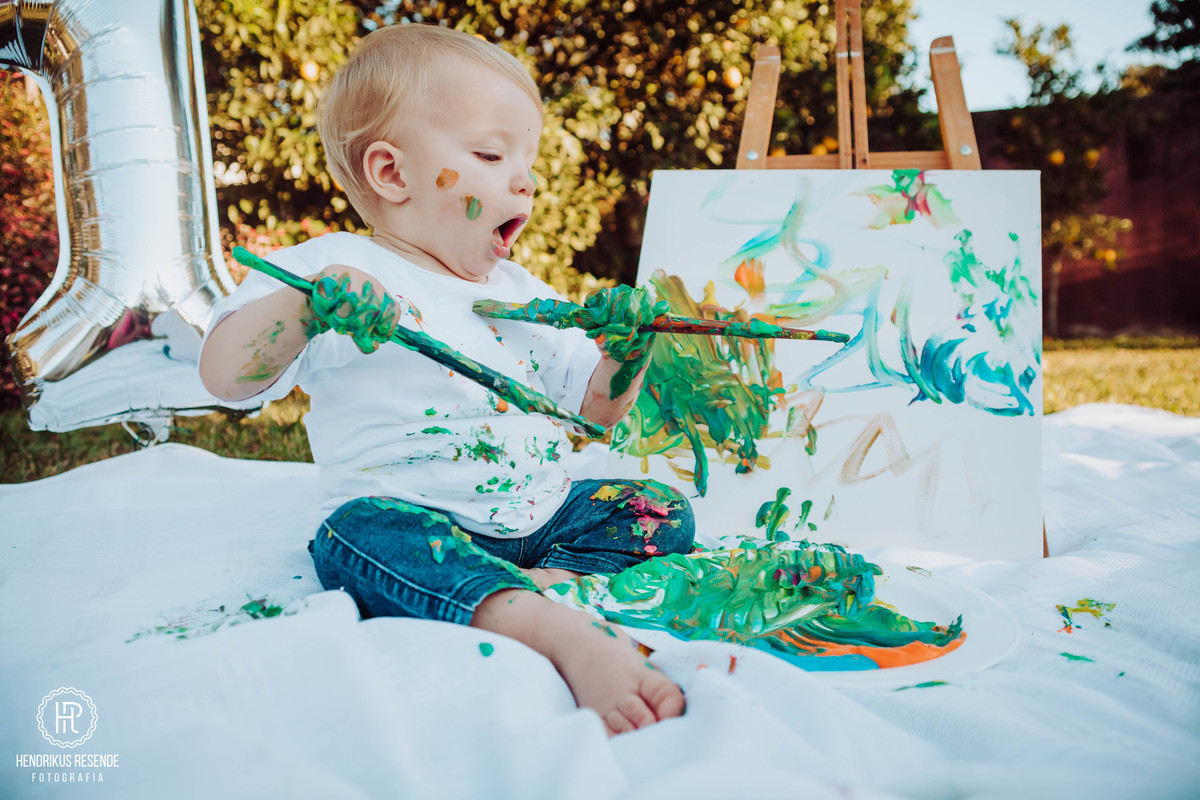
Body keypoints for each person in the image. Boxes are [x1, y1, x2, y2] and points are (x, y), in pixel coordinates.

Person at [198, 23, 694, 736]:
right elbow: (224, 376)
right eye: (492, 155)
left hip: (541, 526)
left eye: (528, 160)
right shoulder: (335, 268)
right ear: (392, 173)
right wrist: (310, 307)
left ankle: (536, 586)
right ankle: (555, 630)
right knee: (353, 540)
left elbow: (597, 411)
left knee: (655, 509)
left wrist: (628, 352)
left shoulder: (520, 290)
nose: (525, 179)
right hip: (415, 522)